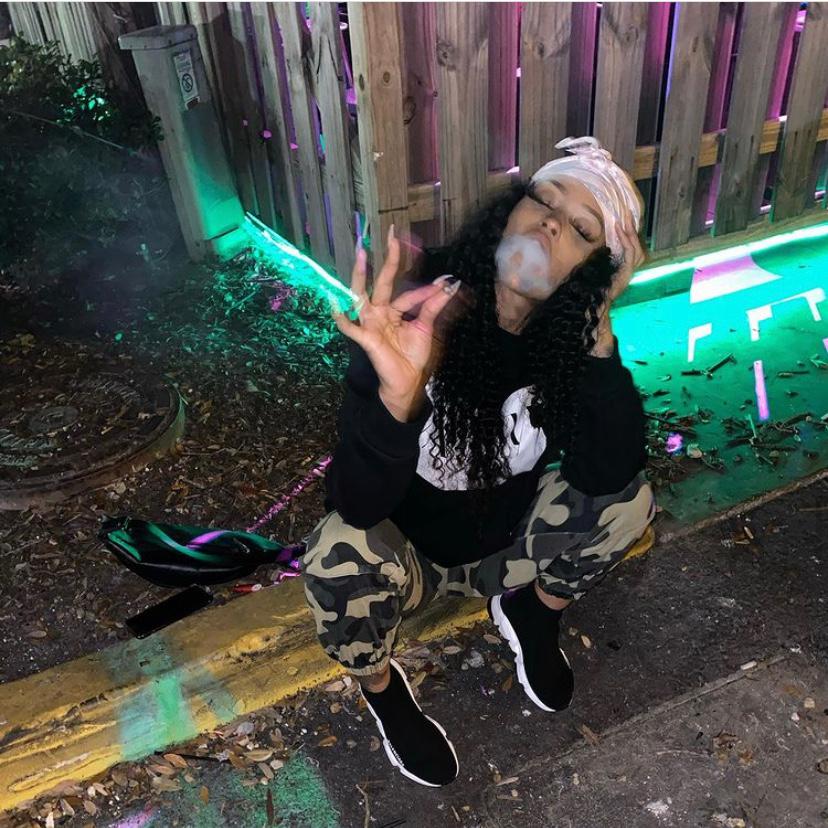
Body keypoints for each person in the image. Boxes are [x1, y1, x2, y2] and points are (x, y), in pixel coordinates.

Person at [302, 136, 656, 787]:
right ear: (509, 210)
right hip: (413, 564)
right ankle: (381, 689)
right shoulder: (417, 316)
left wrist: (600, 331)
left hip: (507, 549)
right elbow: (355, 504)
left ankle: (534, 613)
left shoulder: (568, 340)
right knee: (335, 552)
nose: (551, 223)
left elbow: (606, 475)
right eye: (543, 199)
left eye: (581, 229)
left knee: (630, 504)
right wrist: (395, 401)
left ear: (595, 268)